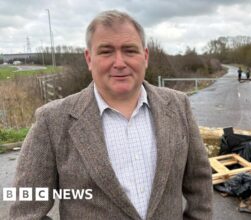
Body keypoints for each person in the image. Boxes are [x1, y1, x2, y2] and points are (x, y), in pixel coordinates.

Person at [9, 10, 212, 220]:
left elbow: (199, 183)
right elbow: (25, 211)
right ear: (89, 58)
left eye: (130, 50)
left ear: (145, 56)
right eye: (106, 51)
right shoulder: (52, 121)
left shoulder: (179, 105)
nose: (119, 62)